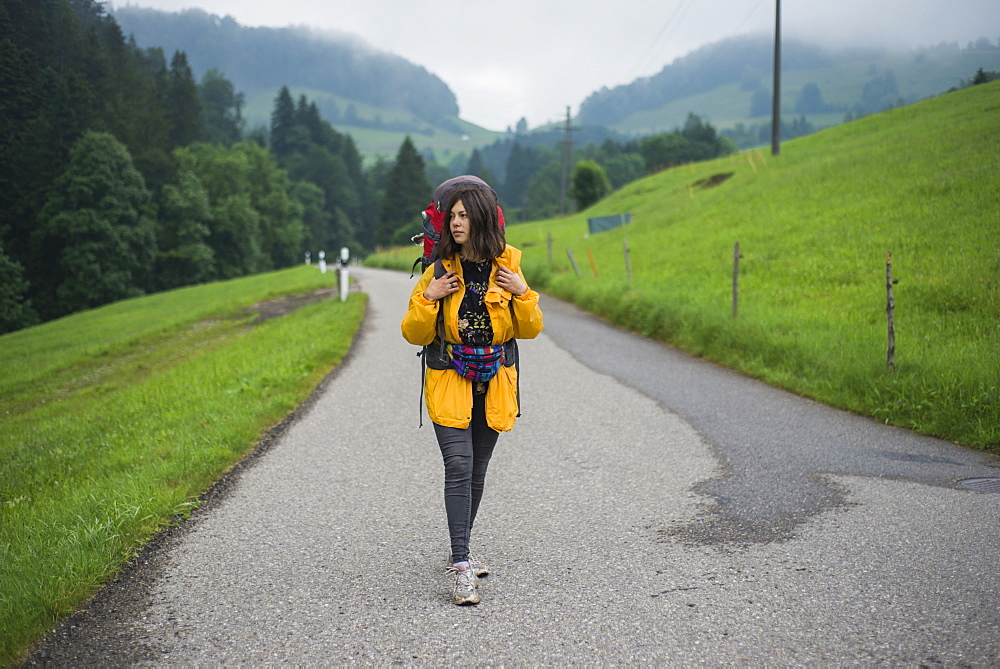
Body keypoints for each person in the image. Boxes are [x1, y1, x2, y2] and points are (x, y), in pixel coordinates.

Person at [401, 179, 543, 606]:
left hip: (494, 379)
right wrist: (428, 297)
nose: (455, 223)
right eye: (452, 216)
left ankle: (458, 547)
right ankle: (462, 564)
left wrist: (523, 293)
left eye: (464, 216)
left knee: (477, 472)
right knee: (458, 466)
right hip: (449, 378)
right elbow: (413, 333)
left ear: (480, 219)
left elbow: (531, 329)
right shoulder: (439, 270)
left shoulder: (508, 267)